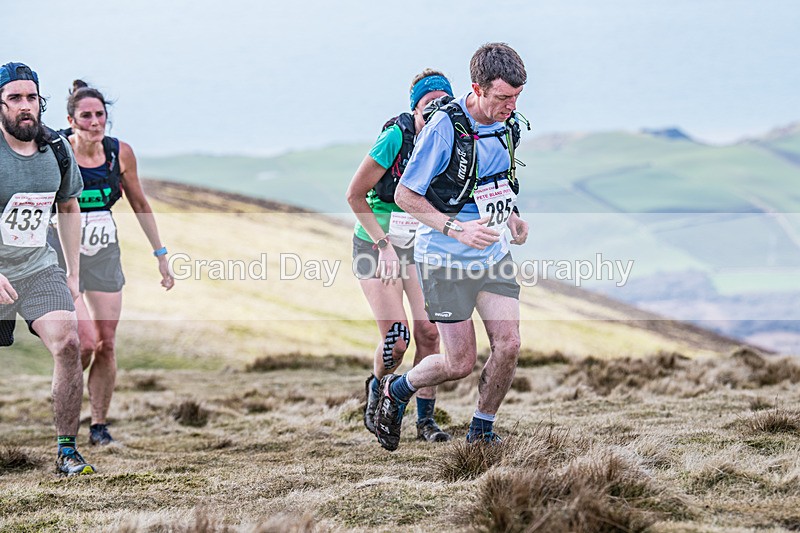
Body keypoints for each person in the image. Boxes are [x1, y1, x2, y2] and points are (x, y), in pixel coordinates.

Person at [374, 43, 531, 451]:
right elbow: (407, 195)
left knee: (509, 345)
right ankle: (397, 389)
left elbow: (492, 181)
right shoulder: (445, 127)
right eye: (502, 97)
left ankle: (482, 430)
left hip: (492, 256)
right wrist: (456, 230)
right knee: (459, 363)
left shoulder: (507, 124)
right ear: (477, 88)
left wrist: (511, 215)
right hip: (443, 259)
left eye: (516, 97)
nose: (510, 106)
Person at [62, 80, 175, 445]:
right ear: (71, 120)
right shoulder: (56, 150)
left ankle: (98, 425)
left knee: (106, 344)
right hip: (65, 256)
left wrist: (161, 255)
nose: (95, 122)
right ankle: (64, 397)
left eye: (100, 115)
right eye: (86, 116)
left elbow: (140, 203)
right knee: (83, 345)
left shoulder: (119, 153)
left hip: (105, 253)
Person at [346, 69, 454, 443]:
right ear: (415, 109)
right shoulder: (396, 136)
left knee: (429, 331)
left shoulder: (450, 136)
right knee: (397, 339)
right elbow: (354, 196)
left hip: (417, 247)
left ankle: (426, 422)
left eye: (443, 106)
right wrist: (383, 245)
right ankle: (378, 387)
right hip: (374, 245)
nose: (434, 114)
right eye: (427, 108)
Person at [0, 62, 95, 475]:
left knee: (70, 343)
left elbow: (69, 207)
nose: (25, 106)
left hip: (38, 267)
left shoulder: (56, 148)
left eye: (32, 97)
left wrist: (73, 273)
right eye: (15, 98)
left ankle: (67, 452)